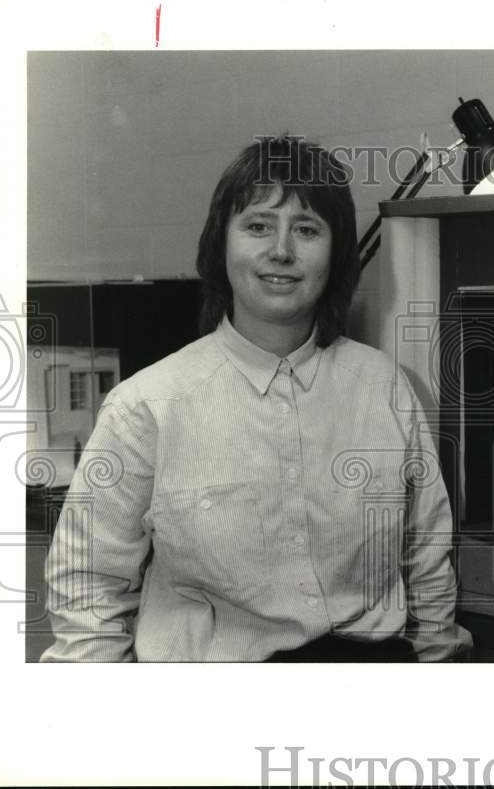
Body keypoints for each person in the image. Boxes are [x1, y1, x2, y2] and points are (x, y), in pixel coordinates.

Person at [41, 135, 472, 662]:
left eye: (307, 230)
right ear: (220, 246)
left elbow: (427, 559)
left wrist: (439, 681)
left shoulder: (384, 386)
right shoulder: (145, 407)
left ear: (334, 256)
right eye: (258, 226)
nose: (282, 251)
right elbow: (88, 595)